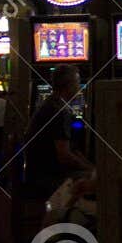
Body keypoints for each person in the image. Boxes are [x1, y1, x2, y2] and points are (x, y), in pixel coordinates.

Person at [22, 66, 93, 202]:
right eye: (78, 83)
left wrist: (90, 166)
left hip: (37, 173)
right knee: (97, 183)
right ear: (70, 85)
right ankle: (73, 220)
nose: (80, 88)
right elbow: (64, 156)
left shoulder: (49, 104)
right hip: (48, 177)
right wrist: (92, 170)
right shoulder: (59, 111)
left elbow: (72, 150)